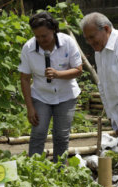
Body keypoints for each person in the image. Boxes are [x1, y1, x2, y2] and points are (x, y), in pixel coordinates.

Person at [18, 11, 82, 162]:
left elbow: (78, 70)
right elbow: (25, 79)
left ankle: (59, 172)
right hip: (41, 96)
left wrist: (58, 74)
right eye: (37, 36)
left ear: (53, 30)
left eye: (44, 36)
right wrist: (30, 108)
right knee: (38, 133)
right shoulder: (28, 48)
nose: (41, 40)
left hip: (66, 95)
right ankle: (34, 170)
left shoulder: (68, 43)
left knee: (61, 135)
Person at [80, 12, 118, 175]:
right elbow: (103, 85)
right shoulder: (100, 51)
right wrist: (114, 118)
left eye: (92, 37)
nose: (90, 42)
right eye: (87, 39)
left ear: (105, 29)